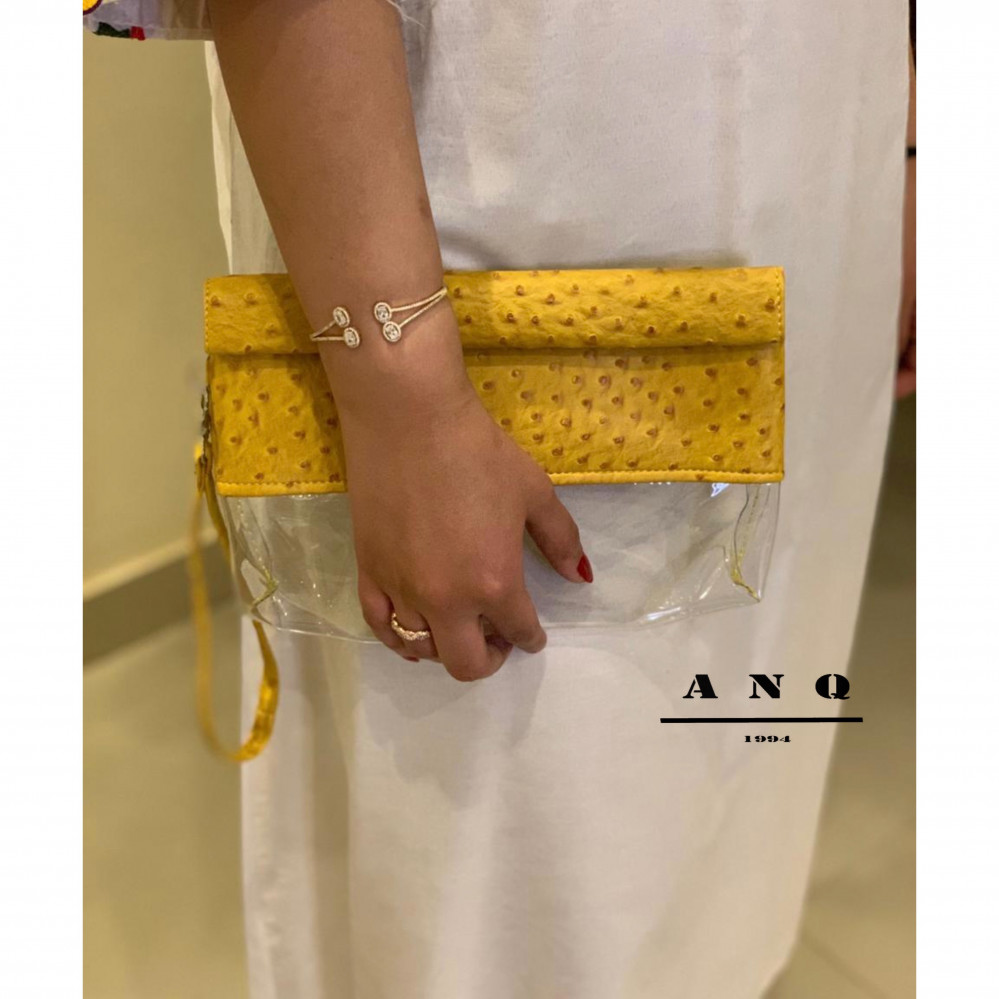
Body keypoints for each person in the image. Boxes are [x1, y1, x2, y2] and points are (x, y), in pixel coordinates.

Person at [84, 1, 914, 996]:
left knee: (723, 805)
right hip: (487, 187)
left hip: (830, 136)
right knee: (513, 876)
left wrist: (908, 139)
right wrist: (407, 401)